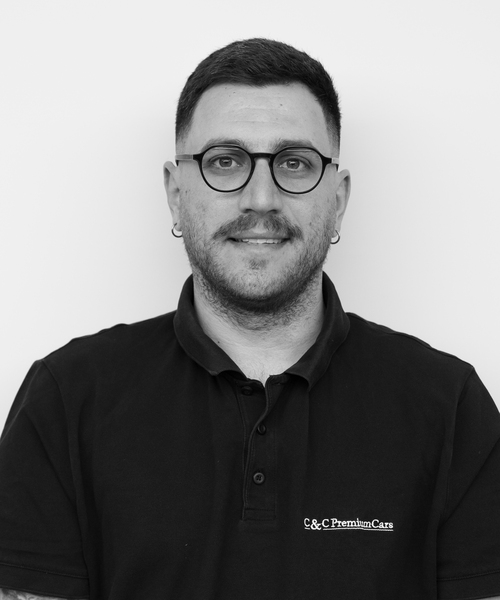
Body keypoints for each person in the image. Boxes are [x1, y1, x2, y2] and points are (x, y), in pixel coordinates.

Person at [0, 38, 499, 600]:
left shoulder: (450, 408)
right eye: (225, 162)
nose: (261, 199)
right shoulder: (66, 399)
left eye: (294, 163)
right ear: (175, 193)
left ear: (337, 199)